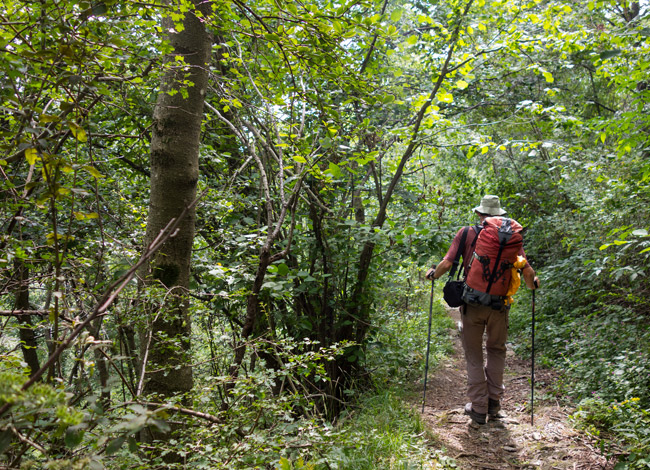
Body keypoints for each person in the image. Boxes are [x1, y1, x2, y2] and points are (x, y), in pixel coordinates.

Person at [425, 195, 539, 425]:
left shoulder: (466, 233)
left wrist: (432, 274)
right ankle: (494, 404)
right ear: (500, 215)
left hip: (473, 303)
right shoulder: (510, 239)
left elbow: (447, 263)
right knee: (497, 350)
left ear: (479, 213)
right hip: (500, 305)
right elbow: (527, 272)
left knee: (474, 353)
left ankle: (478, 408)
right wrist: (533, 284)